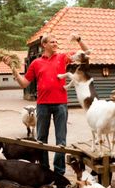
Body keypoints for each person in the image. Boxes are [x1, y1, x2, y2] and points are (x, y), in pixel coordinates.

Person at [9, 33, 89, 175]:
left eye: (56, 41)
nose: (55, 43)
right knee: (41, 140)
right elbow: (24, 83)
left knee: (61, 140)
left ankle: (59, 172)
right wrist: (13, 68)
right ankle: (44, 170)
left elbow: (87, 53)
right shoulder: (36, 63)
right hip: (43, 105)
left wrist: (79, 39)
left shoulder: (63, 57)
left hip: (61, 105)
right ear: (44, 45)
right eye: (52, 42)